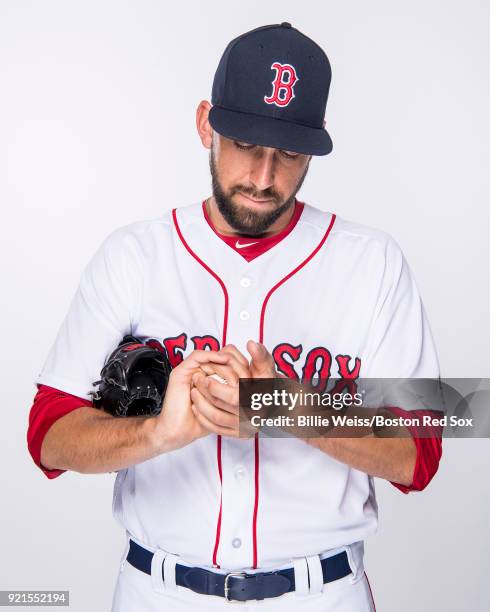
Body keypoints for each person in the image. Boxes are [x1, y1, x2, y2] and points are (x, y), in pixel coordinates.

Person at [27, 22, 443, 611]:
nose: (264, 177)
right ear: (206, 124)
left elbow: (423, 450)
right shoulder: (134, 256)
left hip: (319, 594)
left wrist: (293, 408)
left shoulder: (373, 261)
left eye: (289, 153)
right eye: (246, 144)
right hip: (158, 593)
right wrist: (156, 433)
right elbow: (47, 434)